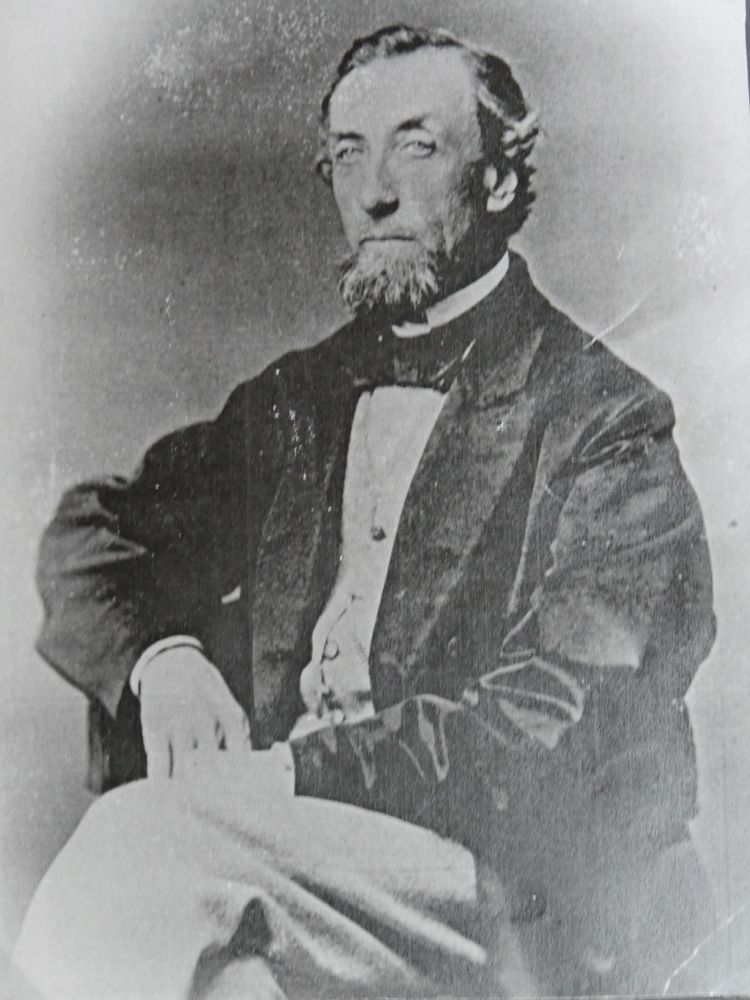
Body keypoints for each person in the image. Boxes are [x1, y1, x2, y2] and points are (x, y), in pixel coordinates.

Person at [13, 23, 717, 1000]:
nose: (373, 192)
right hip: (300, 859)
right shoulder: (296, 400)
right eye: (348, 154)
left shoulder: (606, 420)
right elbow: (94, 536)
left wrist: (290, 775)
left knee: (136, 854)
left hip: (506, 886)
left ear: (498, 181)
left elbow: (561, 719)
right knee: (223, 977)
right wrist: (161, 660)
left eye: (415, 147)